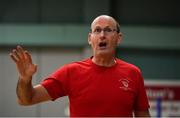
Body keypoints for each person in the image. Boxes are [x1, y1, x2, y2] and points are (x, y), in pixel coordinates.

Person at [10, 15, 150, 117]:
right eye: (97, 30)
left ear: (118, 38)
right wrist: (24, 79)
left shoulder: (133, 73)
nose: (102, 35)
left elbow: (142, 114)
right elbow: (26, 99)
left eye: (108, 30)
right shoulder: (71, 72)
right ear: (90, 38)